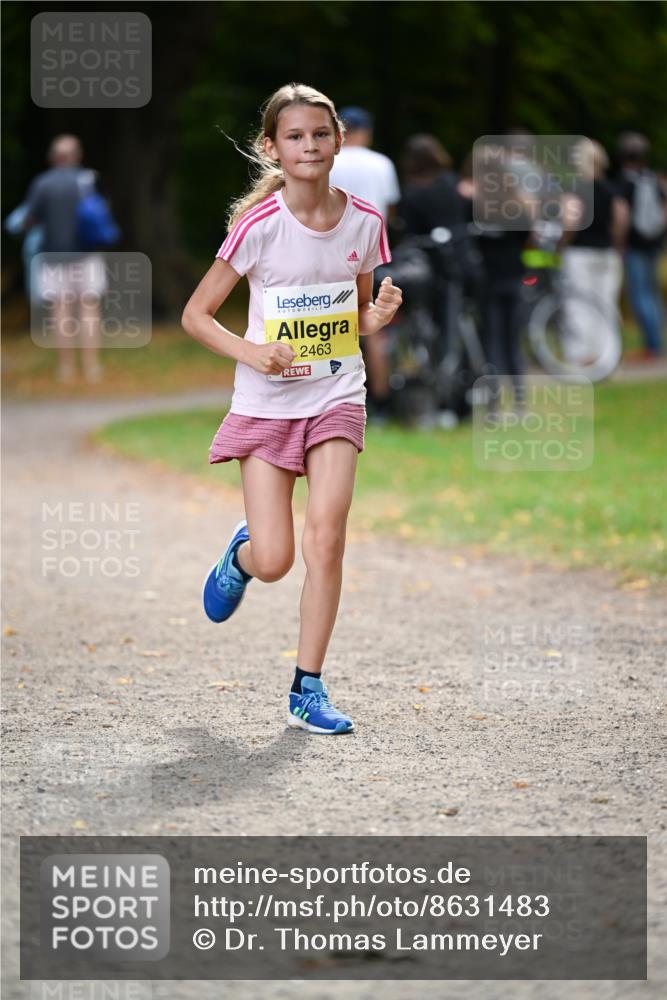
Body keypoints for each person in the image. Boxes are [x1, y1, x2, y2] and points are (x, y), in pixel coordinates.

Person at [181, 83, 402, 735]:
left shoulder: (364, 220)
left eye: (320, 134)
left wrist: (377, 316)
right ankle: (241, 556)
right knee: (276, 558)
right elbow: (196, 316)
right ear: (271, 148)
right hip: (267, 404)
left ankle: (307, 687)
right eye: (295, 136)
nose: (310, 146)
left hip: (336, 394)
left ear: (338, 140)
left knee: (326, 538)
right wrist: (252, 354)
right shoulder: (259, 228)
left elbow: (354, 314)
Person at [329, 106, 401, 423]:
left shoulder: (330, 162)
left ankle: (332, 400)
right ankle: (381, 401)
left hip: (332, 253)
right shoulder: (382, 163)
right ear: (367, 131)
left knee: (331, 327)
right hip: (373, 252)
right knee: (372, 326)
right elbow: (390, 212)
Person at [22, 134, 108, 384]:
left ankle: (66, 368)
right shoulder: (89, 179)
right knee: (89, 309)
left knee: (61, 311)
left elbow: (29, 220)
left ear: (52, 158)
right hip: (87, 255)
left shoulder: (42, 184)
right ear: (77, 156)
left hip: (53, 257)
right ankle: (92, 367)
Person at [561, 139, 629, 364]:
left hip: (579, 253)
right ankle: (607, 358)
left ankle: (580, 356)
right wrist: (616, 245)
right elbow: (621, 219)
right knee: (605, 303)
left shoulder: (575, 189)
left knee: (579, 304)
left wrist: (563, 243)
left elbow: (571, 220)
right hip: (607, 253)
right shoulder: (611, 189)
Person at [614, 131, 666, 358]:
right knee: (652, 293)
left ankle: (652, 346)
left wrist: (619, 243)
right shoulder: (652, 179)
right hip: (654, 243)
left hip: (635, 244)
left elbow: (622, 216)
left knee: (640, 295)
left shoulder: (625, 181)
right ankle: (656, 342)